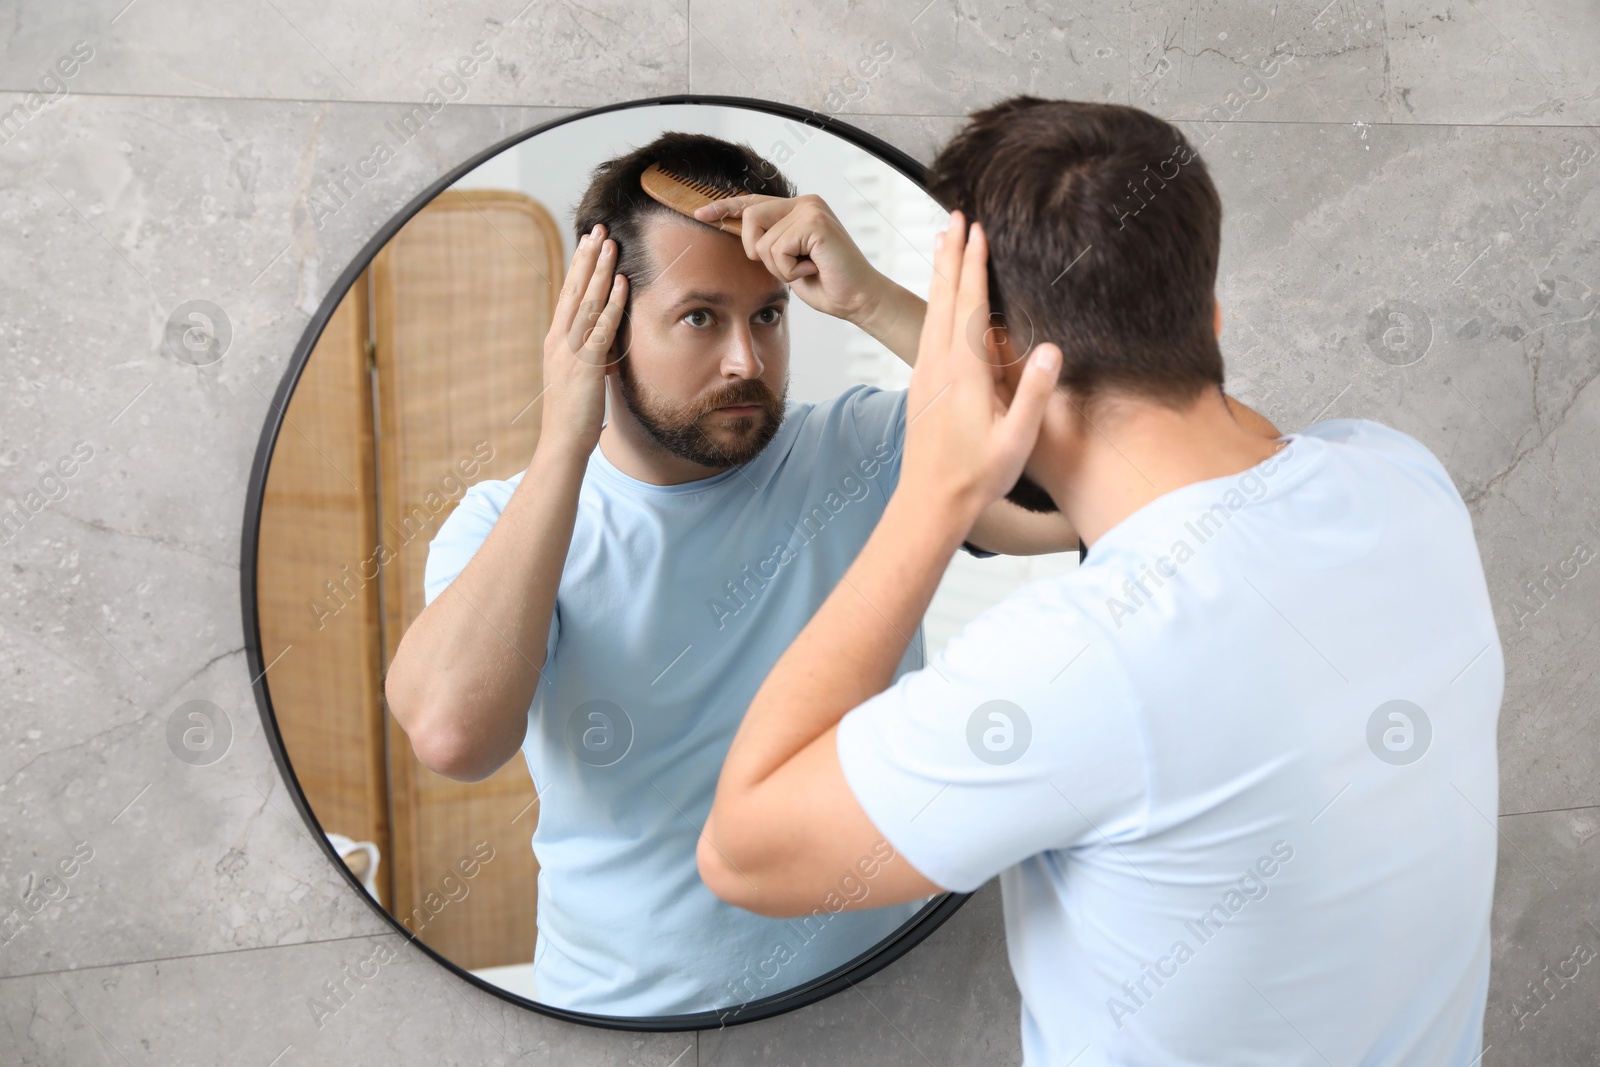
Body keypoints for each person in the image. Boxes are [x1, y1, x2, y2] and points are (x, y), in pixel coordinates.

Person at [700, 98, 1503, 1066]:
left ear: (989, 346)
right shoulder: (1396, 481)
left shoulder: (1078, 664)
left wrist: (929, 495)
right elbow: (1147, 446)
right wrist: (876, 301)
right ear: (1205, 312)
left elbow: (743, 849)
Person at [384, 131, 1127, 1016]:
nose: (748, 359)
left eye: (768, 315)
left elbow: (1110, 477)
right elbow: (453, 736)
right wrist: (562, 449)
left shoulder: (863, 448)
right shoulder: (505, 522)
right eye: (701, 317)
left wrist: (873, 301)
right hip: (628, 1020)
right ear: (606, 330)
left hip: (896, 990)